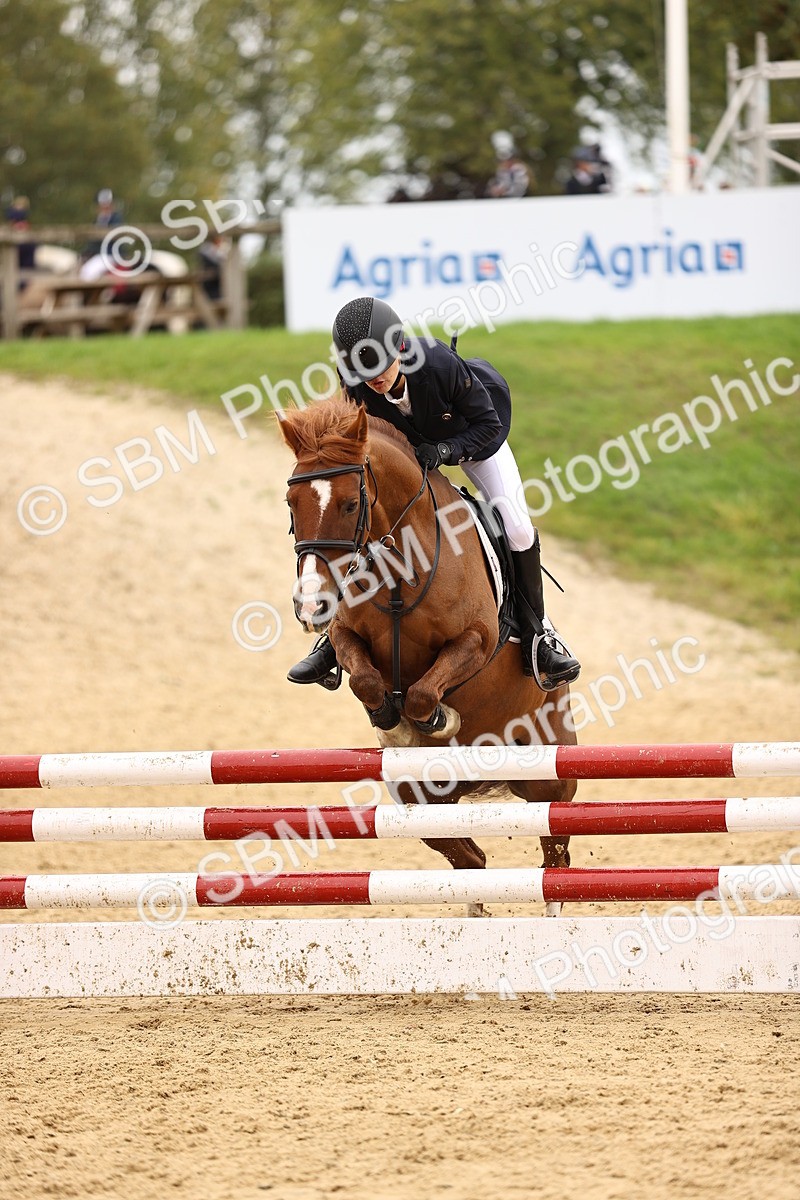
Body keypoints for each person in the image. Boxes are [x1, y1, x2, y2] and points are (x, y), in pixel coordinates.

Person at [287, 297, 581, 692]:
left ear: (400, 349)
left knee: (517, 528)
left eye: (381, 368)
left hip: (474, 442)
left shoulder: (438, 365)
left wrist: (446, 452)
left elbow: (489, 425)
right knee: (360, 521)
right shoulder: (355, 380)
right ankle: (335, 637)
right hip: (413, 453)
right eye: (364, 372)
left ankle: (538, 635)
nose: (374, 380)